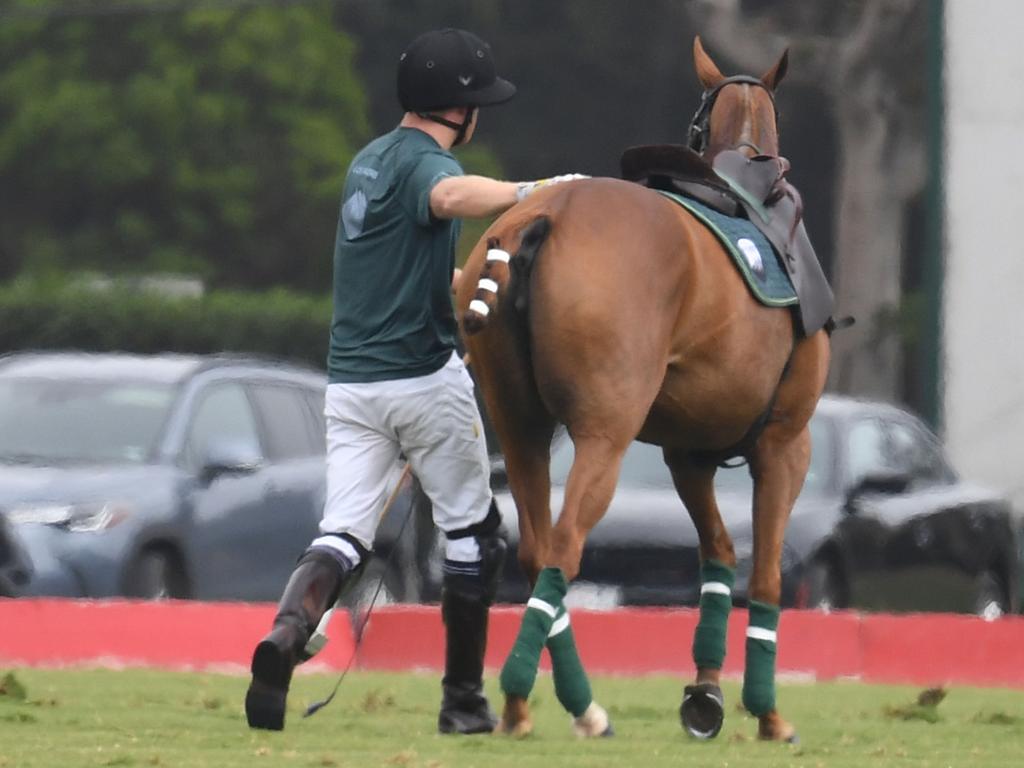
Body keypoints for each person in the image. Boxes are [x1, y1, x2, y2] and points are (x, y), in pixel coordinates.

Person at [244, 27, 585, 735]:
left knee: (342, 534)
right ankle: (463, 702)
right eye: (477, 105)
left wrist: (470, 281)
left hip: (350, 388)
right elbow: (450, 196)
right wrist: (536, 192)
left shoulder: (367, 163)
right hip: (423, 384)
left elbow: (417, 265)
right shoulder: (429, 166)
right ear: (456, 111)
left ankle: (283, 639)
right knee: (473, 532)